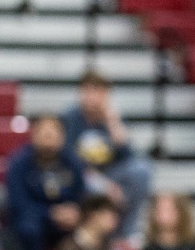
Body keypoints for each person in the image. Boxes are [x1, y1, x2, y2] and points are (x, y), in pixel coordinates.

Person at [62, 70, 153, 232]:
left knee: (142, 171)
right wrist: (105, 186)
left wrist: (113, 122)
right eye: (87, 91)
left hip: (111, 173)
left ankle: (125, 233)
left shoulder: (112, 118)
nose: (92, 97)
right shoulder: (70, 119)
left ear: (106, 95)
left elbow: (128, 157)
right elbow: (69, 160)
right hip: (82, 175)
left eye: (98, 92)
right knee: (94, 186)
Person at [4, 115, 85, 250]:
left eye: (53, 133)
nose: (49, 137)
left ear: (62, 137)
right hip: (32, 219)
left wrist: (76, 212)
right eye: (44, 133)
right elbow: (17, 203)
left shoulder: (73, 163)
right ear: (33, 135)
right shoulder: (19, 163)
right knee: (28, 229)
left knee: (88, 231)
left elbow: (82, 196)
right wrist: (50, 213)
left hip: (65, 222)